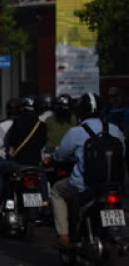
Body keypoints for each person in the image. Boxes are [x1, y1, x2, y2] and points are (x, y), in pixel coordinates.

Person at [51, 93, 125, 248]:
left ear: (81, 112)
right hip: (113, 185)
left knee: (56, 192)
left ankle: (63, 236)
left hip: (84, 186)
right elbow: (122, 153)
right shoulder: (115, 130)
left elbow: (60, 155)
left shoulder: (76, 132)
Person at [0, 96, 49, 211]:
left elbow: (11, 143)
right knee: (42, 173)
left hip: (18, 165)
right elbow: (42, 145)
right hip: (35, 165)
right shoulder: (42, 125)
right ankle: (45, 199)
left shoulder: (16, 123)